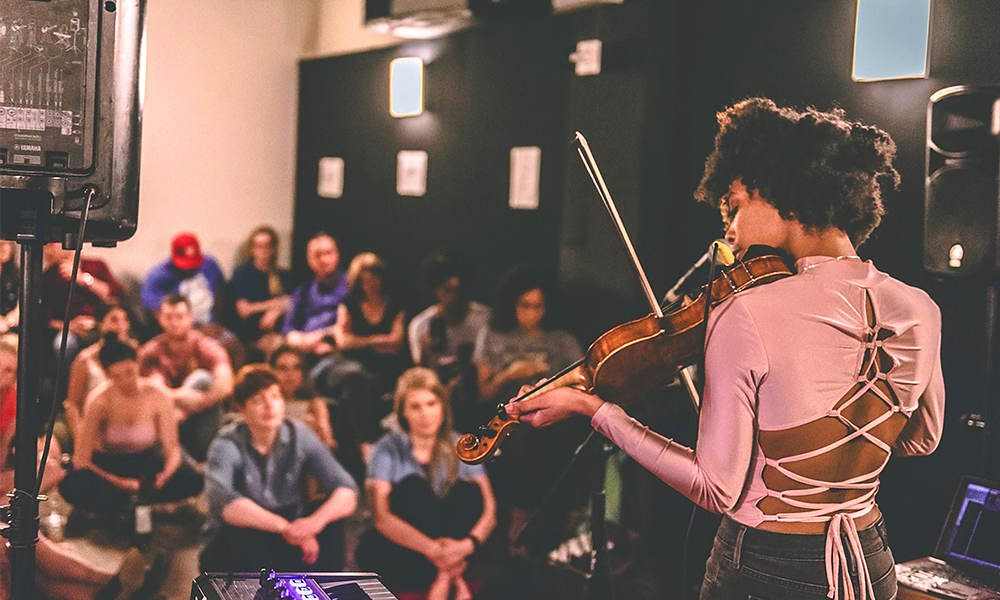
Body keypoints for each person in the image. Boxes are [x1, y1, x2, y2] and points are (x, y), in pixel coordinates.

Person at [505, 98, 944, 600]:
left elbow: (716, 489)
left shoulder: (748, 313)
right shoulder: (920, 307)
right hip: (870, 560)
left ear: (782, 193)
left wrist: (592, 407)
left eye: (735, 204)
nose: (729, 230)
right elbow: (921, 439)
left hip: (768, 565)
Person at [201, 364, 358, 572]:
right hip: (245, 534)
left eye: (275, 397)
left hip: (289, 529)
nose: (269, 406)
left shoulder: (299, 434)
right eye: (258, 400)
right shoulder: (226, 443)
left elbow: (347, 490)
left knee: (331, 522)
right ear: (241, 408)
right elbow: (225, 504)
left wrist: (313, 524)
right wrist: (287, 529)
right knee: (241, 533)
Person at [473, 266, 585, 554]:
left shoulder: (561, 339)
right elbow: (481, 392)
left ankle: (565, 526)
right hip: (505, 416)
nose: (532, 314)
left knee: (555, 437)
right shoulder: (493, 335)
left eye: (538, 306)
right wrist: (510, 374)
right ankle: (519, 521)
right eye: (525, 306)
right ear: (512, 305)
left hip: (554, 416)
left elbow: (584, 383)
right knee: (524, 442)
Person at [358, 368, 496, 600]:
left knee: (467, 492)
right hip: (410, 548)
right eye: (416, 407)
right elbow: (381, 517)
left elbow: (489, 510)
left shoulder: (461, 444)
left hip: (457, 543)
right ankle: (452, 577)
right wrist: (435, 551)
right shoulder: (387, 448)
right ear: (403, 412)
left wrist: (464, 548)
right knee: (413, 490)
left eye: (431, 404)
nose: (426, 414)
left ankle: (447, 577)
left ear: (442, 406)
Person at [59, 335, 204, 512]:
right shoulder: (99, 400)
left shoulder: (157, 393)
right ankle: (127, 503)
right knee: (72, 484)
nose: (126, 381)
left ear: (137, 364)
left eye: (129, 372)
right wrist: (120, 483)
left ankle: (140, 501)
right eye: (117, 376)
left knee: (192, 477)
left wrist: (163, 477)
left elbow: (172, 447)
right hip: (111, 464)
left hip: (148, 460)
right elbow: (82, 459)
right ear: (108, 375)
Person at [317, 252, 408, 455]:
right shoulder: (349, 304)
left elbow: (396, 343)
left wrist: (360, 342)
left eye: (374, 278)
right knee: (354, 377)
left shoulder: (394, 305)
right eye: (365, 280)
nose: (370, 284)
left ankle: (348, 451)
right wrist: (377, 341)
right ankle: (366, 443)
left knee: (352, 392)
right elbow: (342, 341)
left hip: (383, 370)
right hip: (347, 365)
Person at [138, 294, 234, 462]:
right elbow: (152, 390)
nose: (174, 323)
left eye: (180, 317)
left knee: (202, 379)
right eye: (169, 317)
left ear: (190, 318)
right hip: (166, 423)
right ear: (161, 319)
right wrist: (181, 397)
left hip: (200, 422)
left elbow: (226, 384)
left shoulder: (206, 345)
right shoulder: (151, 352)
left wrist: (196, 404)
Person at [64, 304, 139, 442]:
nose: (121, 326)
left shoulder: (136, 352)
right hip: (93, 426)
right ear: (101, 324)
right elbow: (72, 405)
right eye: (114, 320)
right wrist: (81, 438)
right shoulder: (85, 360)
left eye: (124, 320)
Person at [141, 232, 227, 329]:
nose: (189, 269)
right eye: (185, 265)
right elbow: (155, 312)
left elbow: (221, 294)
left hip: (211, 326)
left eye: (194, 264)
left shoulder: (210, 265)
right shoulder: (158, 276)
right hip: (179, 331)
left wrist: (217, 323)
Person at [230, 226, 293, 357]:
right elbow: (244, 309)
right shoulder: (243, 274)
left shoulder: (283, 276)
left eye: (267, 246)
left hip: (278, 333)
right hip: (251, 334)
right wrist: (275, 304)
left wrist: (275, 312)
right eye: (258, 246)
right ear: (252, 249)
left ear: (274, 248)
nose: (263, 251)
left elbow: (290, 302)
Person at [283, 232, 349, 356]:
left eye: (328, 253)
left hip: (338, 350)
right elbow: (289, 332)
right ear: (309, 260)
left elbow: (343, 328)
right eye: (318, 255)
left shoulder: (351, 286)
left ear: (337, 255)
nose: (324, 260)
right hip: (305, 350)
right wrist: (311, 344)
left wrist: (324, 336)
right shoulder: (302, 292)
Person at [269, 344, 336, 451]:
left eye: (296, 368)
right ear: (272, 372)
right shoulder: (266, 405)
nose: (290, 374)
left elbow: (328, 443)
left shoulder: (315, 404)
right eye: (282, 368)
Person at [0, 240, 18, 336]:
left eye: (9, 244)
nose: (6, 248)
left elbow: (22, 304)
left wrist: (9, 321)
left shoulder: (17, 274)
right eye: (1, 245)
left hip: (12, 326)